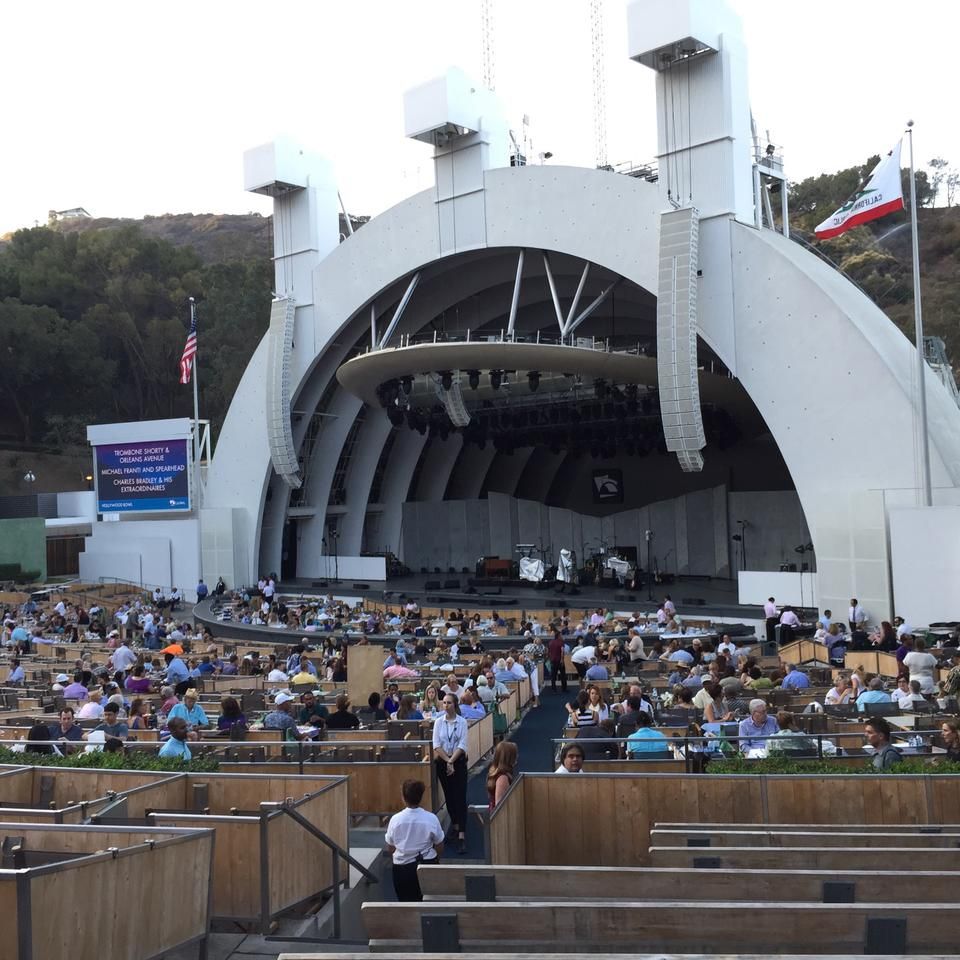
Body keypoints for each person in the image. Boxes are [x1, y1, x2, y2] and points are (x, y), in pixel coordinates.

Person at [384, 779, 444, 902]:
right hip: (427, 863)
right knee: (430, 903)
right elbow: (439, 844)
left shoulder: (396, 820)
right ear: (421, 797)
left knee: (406, 904)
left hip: (402, 869)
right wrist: (436, 858)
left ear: (403, 797)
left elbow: (390, 846)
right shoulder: (431, 818)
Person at [432, 693, 469, 853]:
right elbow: (436, 744)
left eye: (449, 703)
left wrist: (452, 761)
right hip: (443, 762)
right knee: (449, 797)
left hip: (458, 762)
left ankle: (462, 834)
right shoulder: (439, 722)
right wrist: (447, 761)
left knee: (460, 797)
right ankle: (454, 826)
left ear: (455, 705)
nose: (445, 705)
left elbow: (462, 744)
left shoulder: (462, 722)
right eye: (444, 703)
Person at [486, 741, 518, 809]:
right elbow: (499, 806)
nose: (517, 757)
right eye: (515, 755)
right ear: (509, 758)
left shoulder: (495, 771)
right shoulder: (502, 778)